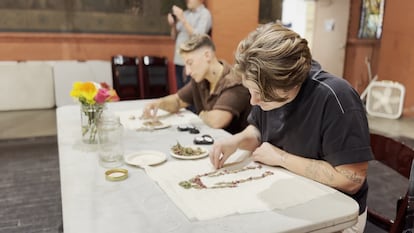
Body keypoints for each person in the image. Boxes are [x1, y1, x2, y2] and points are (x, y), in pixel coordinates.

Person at [209, 23, 373, 233]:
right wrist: (235, 141)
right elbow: (258, 130)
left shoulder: (335, 98)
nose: (253, 101)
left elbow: (351, 179)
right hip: (289, 191)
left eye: (260, 94)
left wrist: (281, 158)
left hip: (338, 216)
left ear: (293, 83)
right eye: (250, 91)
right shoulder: (267, 87)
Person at [141, 34, 251, 134]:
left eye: (190, 63)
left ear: (207, 55)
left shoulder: (234, 82)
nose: (188, 71)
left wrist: (201, 114)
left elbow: (217, 121)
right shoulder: (200, 79)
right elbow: (178, 101)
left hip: (238, 151)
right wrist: (157, 104)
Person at [167, 0, 212, 90]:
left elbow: (199, 37)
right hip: (179, 59)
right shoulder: (186, 13)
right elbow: (174, 37)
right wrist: (173, 25)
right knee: (181, 93)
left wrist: (183, 19)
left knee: (191, 94)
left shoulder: (204, 14)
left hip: (193, 62)